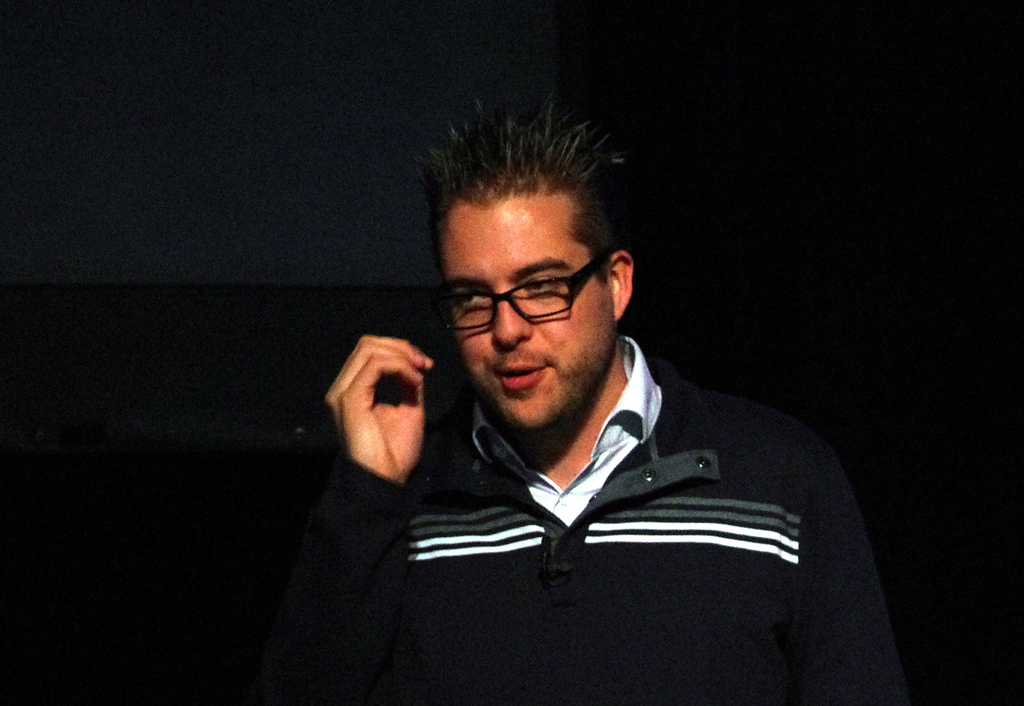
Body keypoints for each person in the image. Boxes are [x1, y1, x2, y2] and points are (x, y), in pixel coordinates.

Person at [247, 104, 910, 705]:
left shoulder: (782, 480)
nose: (506, 330)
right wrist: (367, 494)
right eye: (472, 298)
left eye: (541, 288)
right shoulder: (403, 503)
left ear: (617, 283)